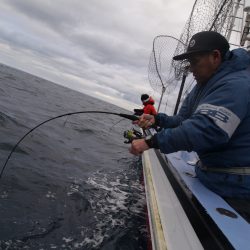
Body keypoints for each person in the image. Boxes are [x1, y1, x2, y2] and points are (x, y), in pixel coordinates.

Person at [129, 31, 250, 199]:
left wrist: (150, 142)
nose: (191, 69)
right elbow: (183, 120)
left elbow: (206, 131)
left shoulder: (236, 84)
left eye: (195, 62)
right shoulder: (202, 85)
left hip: (238, 190)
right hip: (210, 176)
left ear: (215, 56)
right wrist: (157, 119)